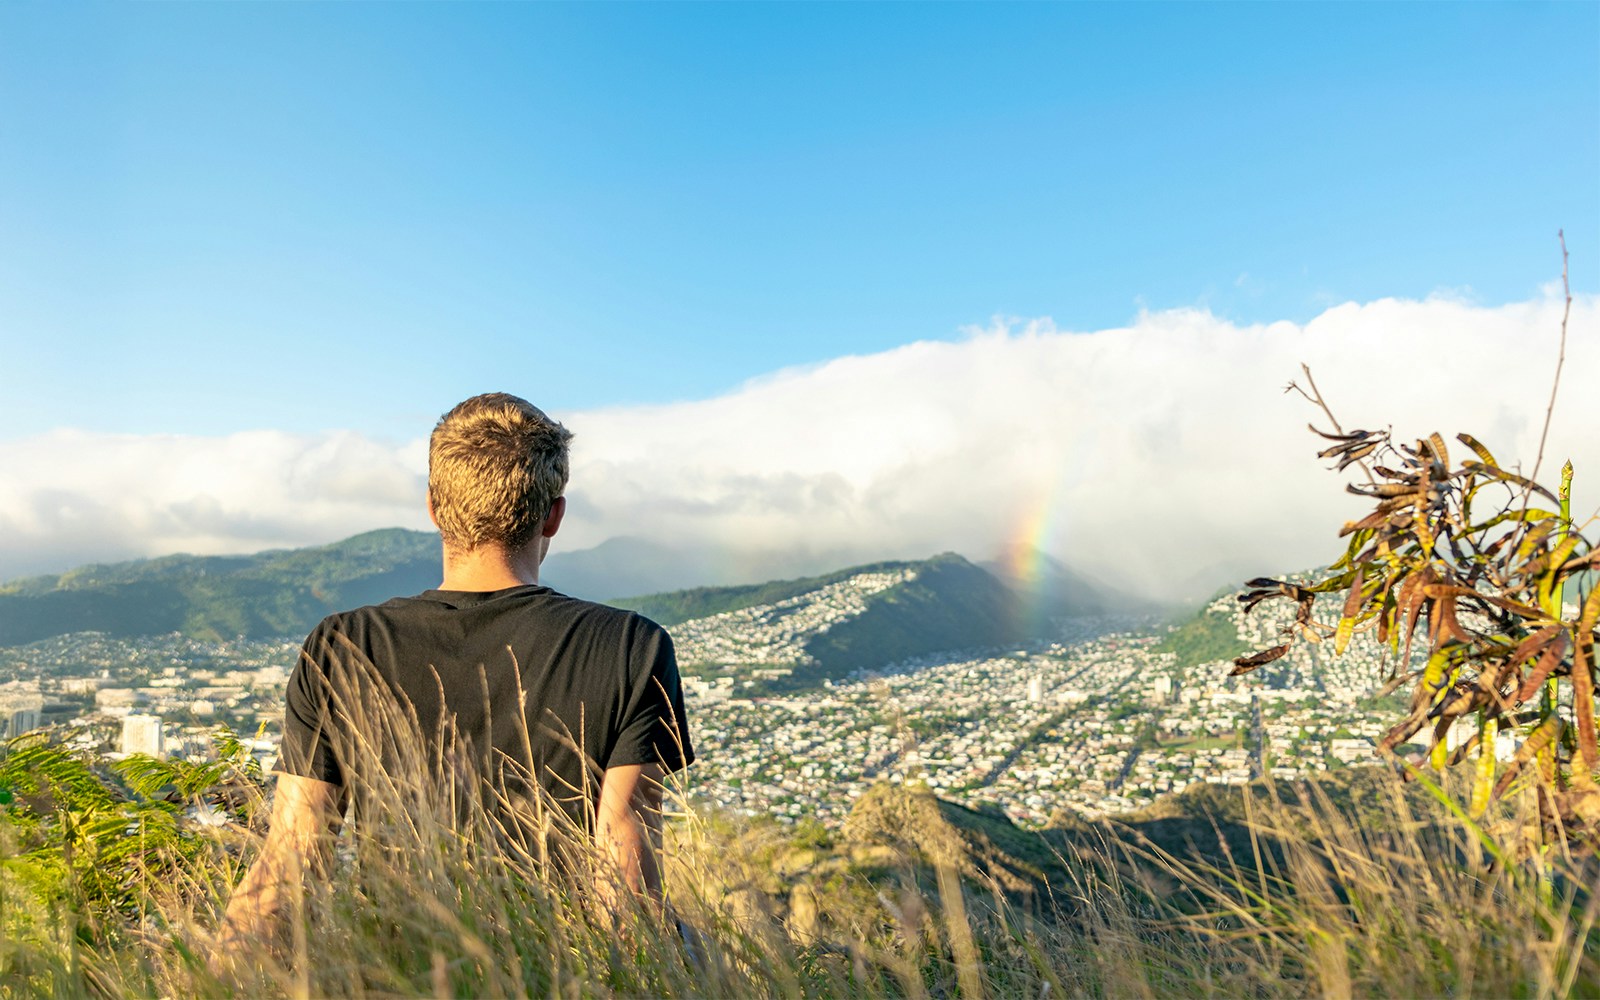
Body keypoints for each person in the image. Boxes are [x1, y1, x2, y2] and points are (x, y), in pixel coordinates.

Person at [216, 392, 694, 957]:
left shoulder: (343, 645)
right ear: (554, 515)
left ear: (435, 508)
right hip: (561, 972)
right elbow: (625, 869)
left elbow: (292, 857)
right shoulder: (630, 647)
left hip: (392, 971)